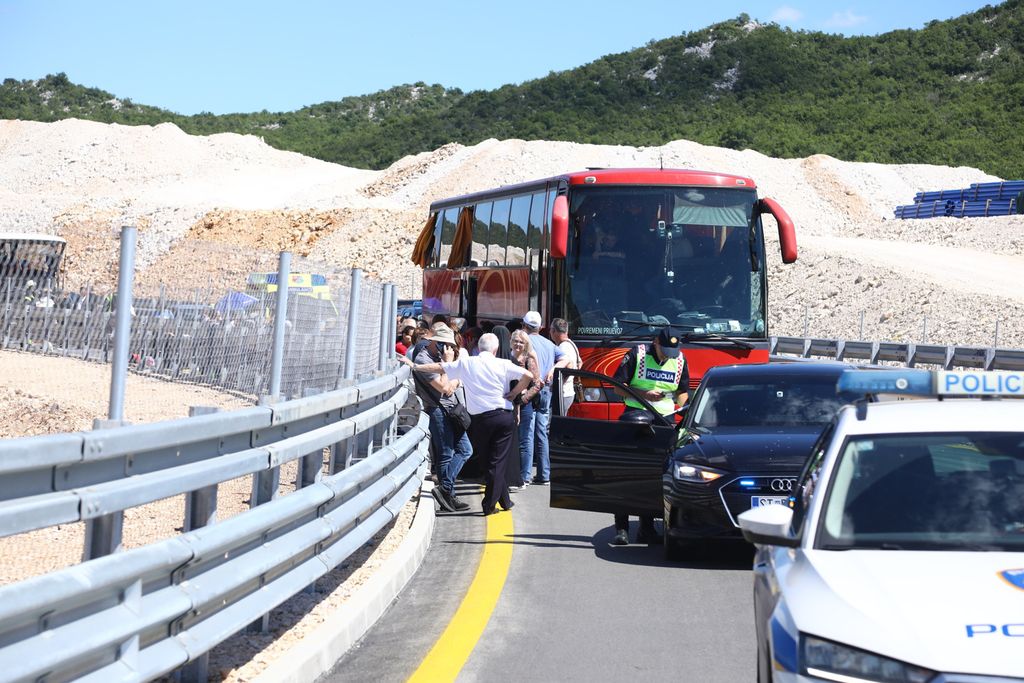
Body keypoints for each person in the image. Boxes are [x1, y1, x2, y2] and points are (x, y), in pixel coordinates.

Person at [402, 333, 534, 515]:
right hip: (503, 416)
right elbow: (528, 375)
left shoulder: (468, 363)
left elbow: (440, 368)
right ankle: (489, 505)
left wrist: (415, 366)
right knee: (497, 461)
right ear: (495, 350)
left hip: (480, 420)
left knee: (490, 461)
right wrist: (514, 393)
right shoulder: (503, 363)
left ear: (479, 348)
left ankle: (504, 500)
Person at [610, 326, 690, 546]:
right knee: (628, 473)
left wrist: (687, 414)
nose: (668, 355)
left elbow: (681, 392)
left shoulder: (680, 359)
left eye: (672, 351)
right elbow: (618, 387)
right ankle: (622, 528)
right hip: (635, 418)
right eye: (665, 350)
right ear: (655, 342)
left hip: (665, 421)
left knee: (656, 475)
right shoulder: (638, 354)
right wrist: (644, 394)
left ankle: (647, 527)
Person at [411, 323, 473, 513]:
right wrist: (448, 366)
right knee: (446, 453)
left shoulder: (439, 357)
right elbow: (444, 388)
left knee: (465, 450)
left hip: (451, 409)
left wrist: (451, 371)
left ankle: (446, 489)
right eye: (441, 343)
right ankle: (448, 494)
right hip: (438, 410)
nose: (445, 347)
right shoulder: (423, 359)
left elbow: (458, 377)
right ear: (432, 341)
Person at [520, 311, 567, 485]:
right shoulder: (549, 344)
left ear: (524, 325)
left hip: (529, 391)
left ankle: (524, 475)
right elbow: (565, 359)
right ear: (540, 328)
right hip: (546, 391)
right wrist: (553, 369)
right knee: (541, 433)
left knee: (526, 433)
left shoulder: (523, 342)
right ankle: (544, 474)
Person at [507, 329, 543, 491]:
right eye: (515, 341)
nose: (518, 344)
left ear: (526, 344)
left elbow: (537, 384)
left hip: (525, 405)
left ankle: (524, 476)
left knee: (524, 441)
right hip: (508, 403)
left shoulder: (529, 359)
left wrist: (523, 399)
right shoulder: (507, 357)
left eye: (521, 342)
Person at [549, 318, 581, 415]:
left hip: (562, 393)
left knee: (555, 424)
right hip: (568, 392)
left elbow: (569, 367)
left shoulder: (563, 347)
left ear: (554, 331)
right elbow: (580, 363)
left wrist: (554, 383)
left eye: (550, 329)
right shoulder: (572, 344)